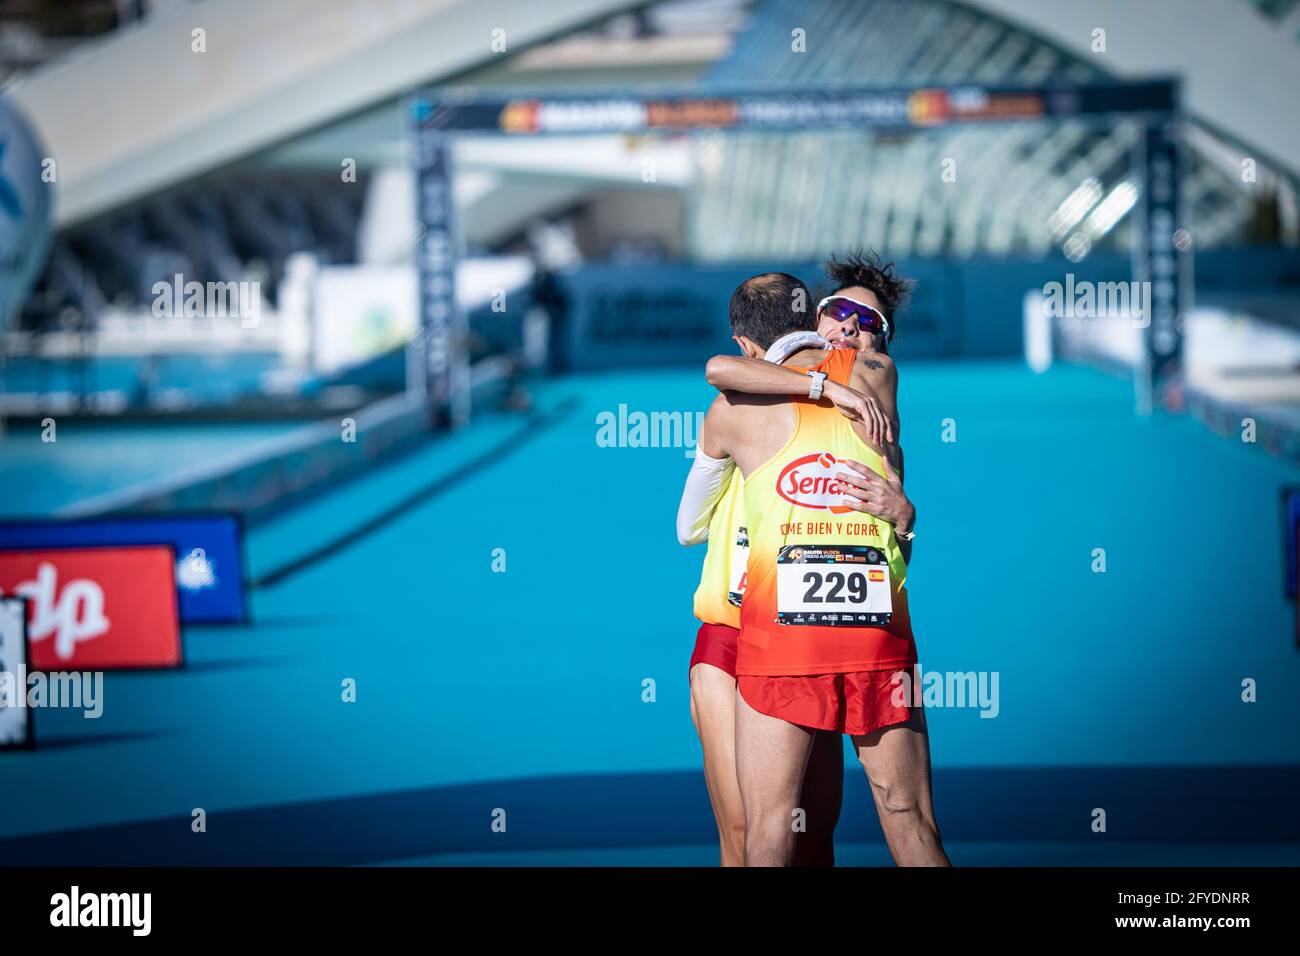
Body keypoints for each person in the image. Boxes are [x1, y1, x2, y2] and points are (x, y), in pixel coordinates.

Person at [695, 269, 948, 867]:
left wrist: (905, 517)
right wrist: (825, 388)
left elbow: (721, 369)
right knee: (792, 833)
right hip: (828, 637)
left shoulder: (869, 380)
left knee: (803, 830)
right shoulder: (845, 386)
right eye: (840, 311)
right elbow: (720, 368)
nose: (852, 328)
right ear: (813, 315)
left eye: (871, 326)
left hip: (836, 638)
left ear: (882, 345)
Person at [676, 319, 874, 866]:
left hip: (797, 637)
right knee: (769, 832)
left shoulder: (839, 403)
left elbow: (688, 528)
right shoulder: (749, 412)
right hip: (743, 637)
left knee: (795, 830)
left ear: (747, 346)